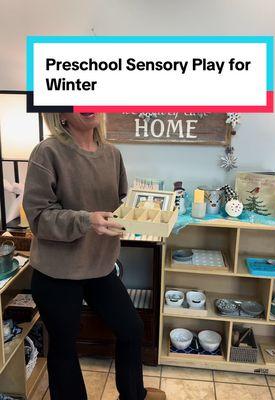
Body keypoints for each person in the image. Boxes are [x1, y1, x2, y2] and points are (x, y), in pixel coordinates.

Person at [23, 112, 166, 400]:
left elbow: (120, 203)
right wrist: (86, 220)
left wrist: (147, 217)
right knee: (63, 347)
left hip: (100, 266)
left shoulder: (112, 154)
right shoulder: (47, 152)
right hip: (57, 272)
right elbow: (38, 218)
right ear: (60, 111)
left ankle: (133, 395)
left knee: (131, 328)